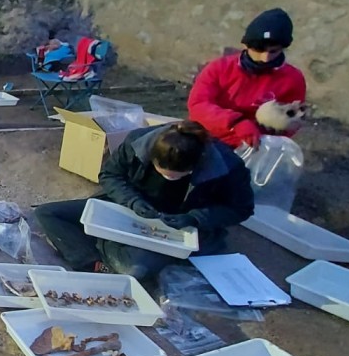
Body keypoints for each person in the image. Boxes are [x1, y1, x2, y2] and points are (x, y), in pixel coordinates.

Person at [34, 120, 254, 281]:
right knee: (47, 213)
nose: (170, 178)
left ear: (198, 165)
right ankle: (94, 262)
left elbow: (241, 209)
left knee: (134, 270)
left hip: (179, 227)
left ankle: (111, 247)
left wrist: (194, 217)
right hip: (129, 209)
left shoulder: (228, 167)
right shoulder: (137, 143)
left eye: (178, 175)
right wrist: (131, 201)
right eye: (163, 171)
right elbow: (109, 175)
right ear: (152, 157)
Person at [188, 8, 307, 149]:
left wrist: (283, 125)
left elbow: (290, 127)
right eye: (259, 50)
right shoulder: (219, 68)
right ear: (246, 45)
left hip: (255, 145)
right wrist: (236, 122)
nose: (265, 58)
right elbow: (197, 105)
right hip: (207, 138)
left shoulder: (293, 79)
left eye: (273, 51)